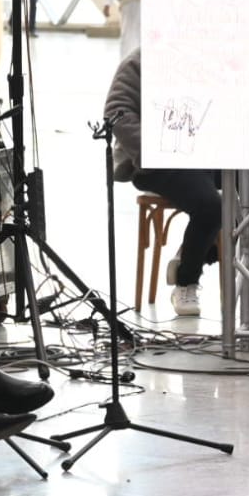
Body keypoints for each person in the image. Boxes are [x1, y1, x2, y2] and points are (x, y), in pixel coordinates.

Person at [104, 50, 219, 317]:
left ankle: (192, 253)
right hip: (157, 163)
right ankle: (186, 280)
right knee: (210, 206)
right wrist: (153, 152)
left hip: (206, 156)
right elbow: (117, 111)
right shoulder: (141, 60)